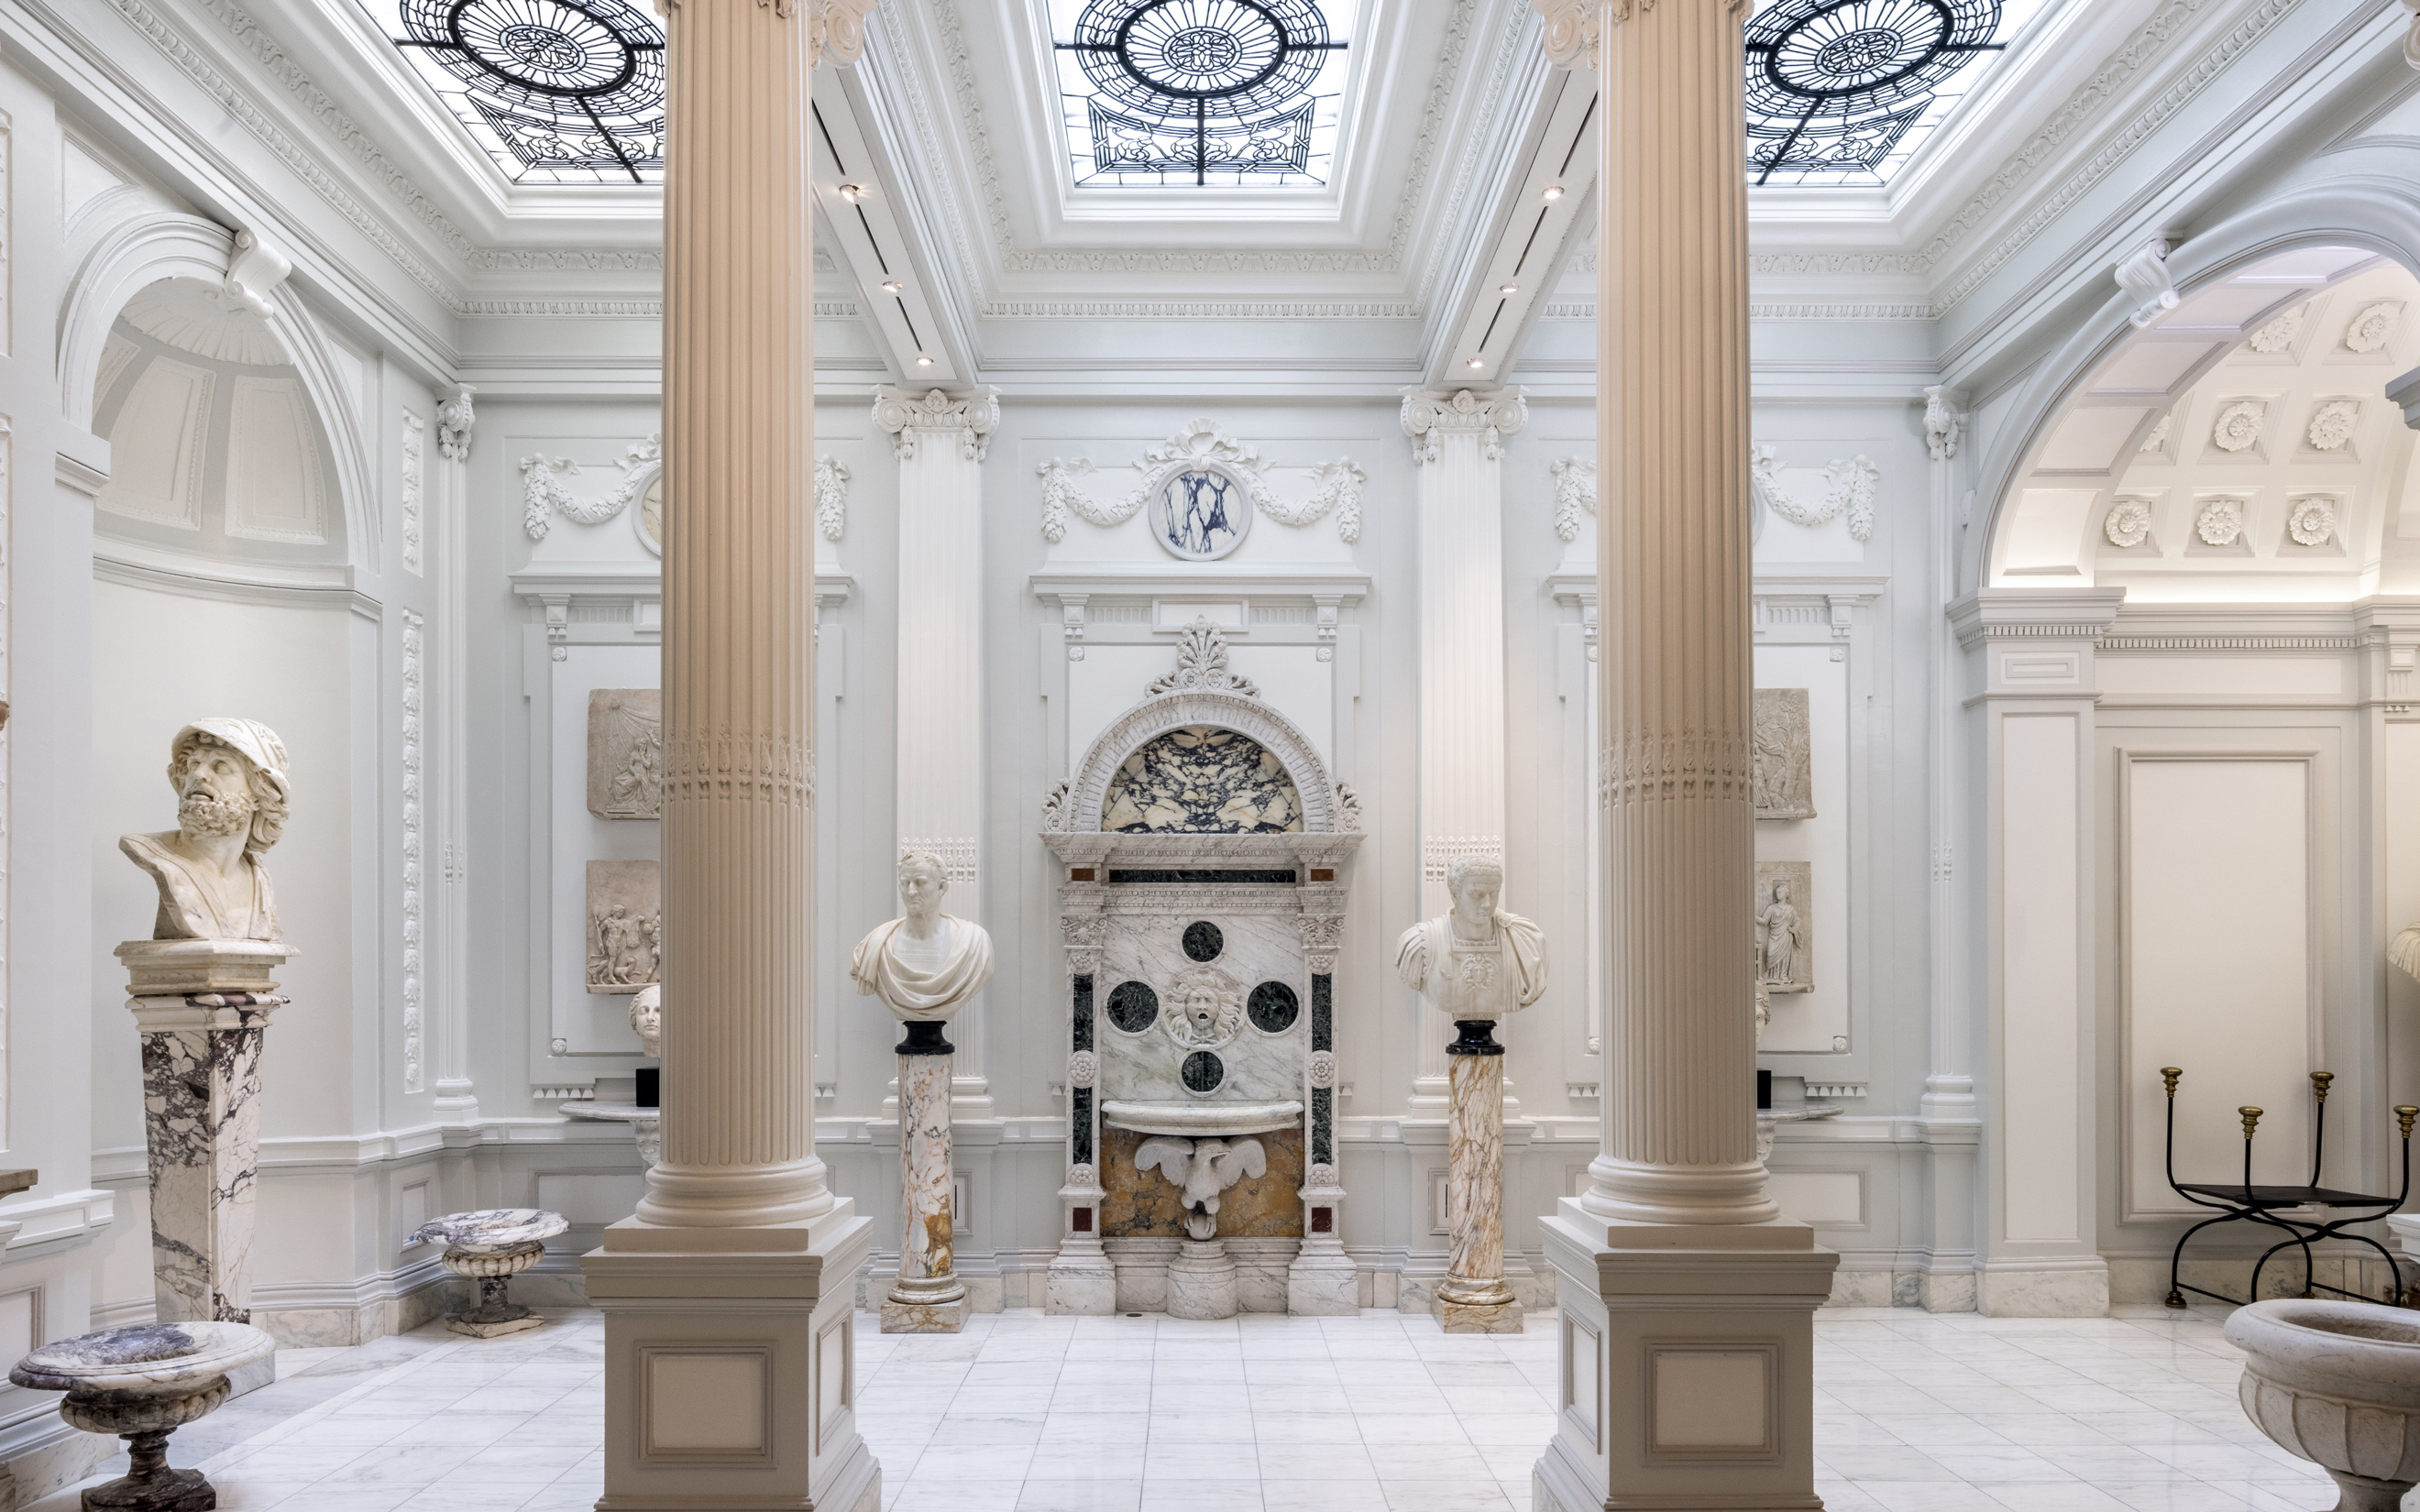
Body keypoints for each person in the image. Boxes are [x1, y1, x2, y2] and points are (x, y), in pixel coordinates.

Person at [119, 718, 292, 942]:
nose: (199, 774)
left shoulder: (259, 879)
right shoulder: (155, 854)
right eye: (193, 764)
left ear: (260, 793)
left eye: (221, 766)